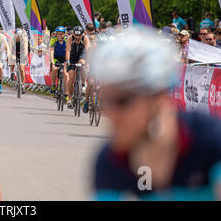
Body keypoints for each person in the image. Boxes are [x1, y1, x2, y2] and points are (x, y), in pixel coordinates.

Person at [89, 27, 221, 200]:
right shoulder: (110, 160)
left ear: (159, 97)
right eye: (107, 100)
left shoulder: (210, 139)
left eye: (122, 101)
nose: (112, 114)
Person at [66, 26, 90, 109]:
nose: (77, 37)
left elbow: (87, 51)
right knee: (71, 76)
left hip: (81, 56)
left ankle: (83, 85)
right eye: (76, 36)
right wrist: (68, 61)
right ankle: (69, 98)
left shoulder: (85, 39)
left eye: (79, 35)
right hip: (72, 57)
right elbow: (68, 50)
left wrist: (87, 62)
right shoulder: (70, 38)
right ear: (73, 34)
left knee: (82, 64)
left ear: (82, 34)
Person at [9, 28, 28, 94]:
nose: (19, 37)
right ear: (15, 35)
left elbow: (25, 49)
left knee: (22, 69)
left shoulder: (24, 40)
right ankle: (12, 72)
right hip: (14, 53)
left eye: (20, 36)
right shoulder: (12, 39)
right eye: (17, 36)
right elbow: (10, 50)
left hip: (22, 53)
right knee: (13, 59)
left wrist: (25, 57)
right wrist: (9, 56)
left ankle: (23, 85)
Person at [50, 26, 68, 95]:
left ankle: (66, 93)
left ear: (64, 34)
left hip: (64, 57)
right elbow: (51, 51)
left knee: (65, 74)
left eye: (61, 34)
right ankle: (53, 84)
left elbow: (68, 51)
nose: (59, 36)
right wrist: (52, 62)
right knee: (54, 69)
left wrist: (67, 61)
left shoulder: (67, 39)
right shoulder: (53, 39)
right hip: (56, 57)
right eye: (58, 34)